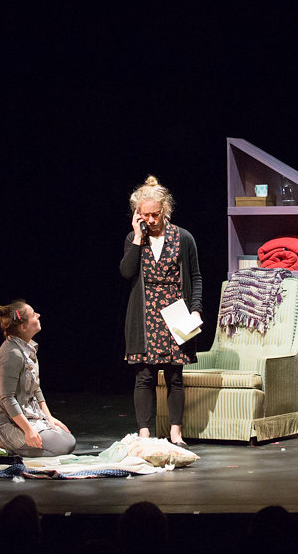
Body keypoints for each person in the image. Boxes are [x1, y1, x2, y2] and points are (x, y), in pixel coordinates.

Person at [120, 176, 202, 447]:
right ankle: (144, 433)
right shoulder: (134, 239)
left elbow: (196, 277)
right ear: (137, 214)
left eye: (155, 214)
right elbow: (126, 272)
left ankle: (176, 432)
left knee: (174, 376)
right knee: (144, 376)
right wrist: (137, 237)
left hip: (175, 310)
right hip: (145, 314)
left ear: (165, 210)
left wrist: (196, 310)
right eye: (146, 215)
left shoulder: (183, 237)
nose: (151, 219)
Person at [0, 300, 76, 457]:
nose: (38, 315)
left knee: (68, 440)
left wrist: (49, 417)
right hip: (6, 424)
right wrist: (28, 430)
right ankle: (5, 444)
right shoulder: (12, 354)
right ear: (23, 327)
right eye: (33, 314)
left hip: (29, 417)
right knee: (60, 447)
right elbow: (7, 398)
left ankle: (28, 445)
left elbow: (36, 388)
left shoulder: (28, 349)